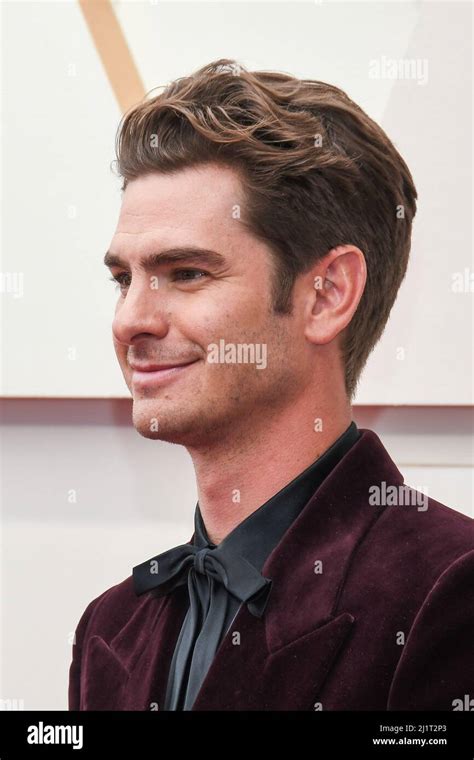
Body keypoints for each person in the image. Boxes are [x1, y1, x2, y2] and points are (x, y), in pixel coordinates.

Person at [68, 58, 473, 711]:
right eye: (124, 279)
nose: (131, 320)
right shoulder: (112, 628)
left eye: (187, 273)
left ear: (326, 295)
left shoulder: (447, 594)